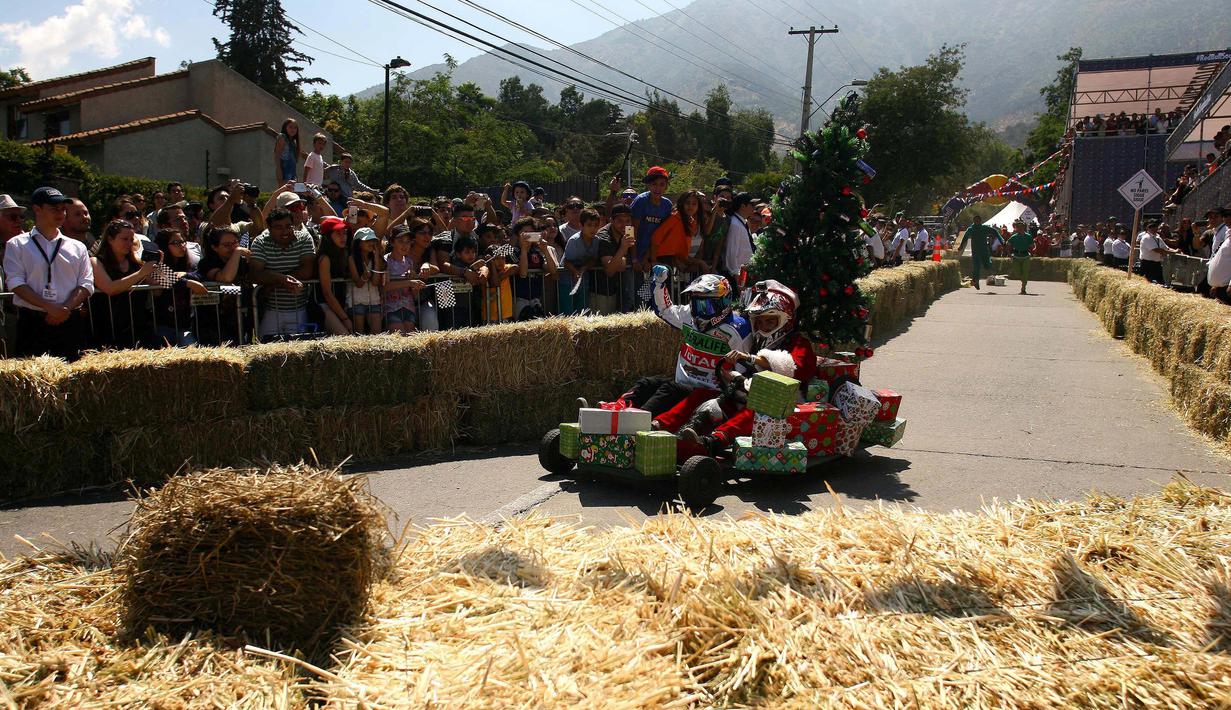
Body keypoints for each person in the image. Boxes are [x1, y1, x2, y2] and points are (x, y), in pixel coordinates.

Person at [587, 265, 751, 419]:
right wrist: (659, 284)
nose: (697, 310)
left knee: (669, 389)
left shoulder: (738, 329)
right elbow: (664, 310)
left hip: (708, 392)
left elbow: (742, 374)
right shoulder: (689, 315)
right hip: (683, 383)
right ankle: (617, 408)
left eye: (704, 305)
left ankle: (636, 419)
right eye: (694, 302)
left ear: (722, 302)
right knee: (647, 383)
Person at [676, 281, 816, 458]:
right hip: (747, 393)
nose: (764, 327)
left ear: (785, 320)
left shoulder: (798, 343)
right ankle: (668, 430)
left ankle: (713, 442)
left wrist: (752, 359)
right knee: (703, 394)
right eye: (760, 321)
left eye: (770, 321)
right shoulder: (756, 341)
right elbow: (739, 370)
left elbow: (796, 368)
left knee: (760, 409)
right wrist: (730, 374)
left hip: (784, 404)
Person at [3, 188, 95, 359]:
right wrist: (49, 307)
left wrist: (65, 308)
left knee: (72, 377)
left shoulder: (77, 246)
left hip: (70, 320)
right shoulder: (16, 244)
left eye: (62, 209)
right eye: (54, 209)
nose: (60, 213)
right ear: (37, 209)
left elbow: (86, 283)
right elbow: (16, 282)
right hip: (33, 321)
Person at [89, 218, 157, 348]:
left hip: (138, 328)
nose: (129, 243)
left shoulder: (136, 263)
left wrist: (156, 267)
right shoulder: (96, 262)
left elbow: (158, 288)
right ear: (110, 239)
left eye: (131, 240)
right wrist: (141, 273)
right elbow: (109, 288)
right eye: (124, 239)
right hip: (108, 329)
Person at [249, 207, 315, 339]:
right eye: (278, 227)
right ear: (269, 227)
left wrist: (275, 282)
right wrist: (280, 279)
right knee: (266, 349)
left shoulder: (304, 238)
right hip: (271, 309)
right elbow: (256, 274)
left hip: (299, 308)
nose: (284, 231)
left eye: (288, 226)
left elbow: (307, 271)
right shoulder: (260, 242)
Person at [151, 227, 208, 346]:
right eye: (175, 243)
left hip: (184, 325)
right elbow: (163, 278)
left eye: (182, 241)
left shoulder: (188, 265)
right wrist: (188, 282)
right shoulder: (156, 264)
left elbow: (201, 275)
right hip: (163, 325)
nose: (181, 245)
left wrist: (186, 275)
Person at [196, 226, 249, 345]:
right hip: (214, 321)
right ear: (214, 247)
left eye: (235, 243)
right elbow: (226, 277)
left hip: (240, 316)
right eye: (227, 245)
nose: (233, 247)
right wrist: (237, 253)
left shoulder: (242, 261)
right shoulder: (207, 263)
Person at [650, 189, 708, 277]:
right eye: (687, 203)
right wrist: (654, 261)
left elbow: (682, 250)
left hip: (677, 262)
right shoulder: (674, 217)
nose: (690, 206)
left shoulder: (692, 222)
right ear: (682, 204)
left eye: (694, 204)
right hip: (663, 261)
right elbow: (656, 238)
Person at [509, 216, 558, 320]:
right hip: (519, 300)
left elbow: (553, 270)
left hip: (535, 299)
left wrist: (545, 250)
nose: (528, 236)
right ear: (518, 234)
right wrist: (523, 249)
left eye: (531, 233)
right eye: (525, 233)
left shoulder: (537, 252)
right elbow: (523, 273)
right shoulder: (513, 252)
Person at [384, 224, 428, 333]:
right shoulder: (385, 261)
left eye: (408, 241)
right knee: (399, 338)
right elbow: (384, 286)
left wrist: (416, 287)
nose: (405, 245)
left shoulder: (409, 262)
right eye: (400, 241)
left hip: (408, 307)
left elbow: (413, 294)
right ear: (392, 242)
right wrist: (409, 282)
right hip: (391, 307)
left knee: (410, 338)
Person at [592, 204, 636, 314]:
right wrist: (623, 248)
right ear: (611, 220)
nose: (624, 225)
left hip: (618, 289)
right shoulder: (603, 238)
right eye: (620, 221)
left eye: (628, 221)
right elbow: (610, 271)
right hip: (601, 290)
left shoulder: (626, 233)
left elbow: (623, 264)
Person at [631, 166, 674, 273]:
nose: (657, 188)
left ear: (666, 187)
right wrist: (634, 259)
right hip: (634, 253)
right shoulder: (640, 201)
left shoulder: (667, 205)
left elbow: (663, 234)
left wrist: (648, 258)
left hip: (654, 255)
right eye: (654, 184)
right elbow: (631, 230)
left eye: (662, 184)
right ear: (648, 185)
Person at [315, 216, 353, 335]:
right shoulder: (324, 259)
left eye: (344, 233)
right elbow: (327, 293)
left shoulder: (343, 253)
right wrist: (344, 318)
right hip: (323, 305)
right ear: (328, 237)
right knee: (345, 336)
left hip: (339, 303)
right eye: (338, 233)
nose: (343, 237)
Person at [561, 208, 603, 314]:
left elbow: (594, 259)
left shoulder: (597, 241)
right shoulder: (574, 241)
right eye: (589, 225)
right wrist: (575, 271)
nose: (593, 228)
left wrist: (584, 268)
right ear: (581, 225)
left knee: (582, 311)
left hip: (583, 279)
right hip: (567, 280)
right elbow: (566, 261)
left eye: (596, 225)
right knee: (568, 312)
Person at [348, 227, 384, 334]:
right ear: (359, 244)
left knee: (377, 335)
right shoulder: (352, 259)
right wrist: (364, 277)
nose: (371, 243)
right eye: (367, 240)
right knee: (360, 336)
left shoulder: (375, 258)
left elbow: (375, 282)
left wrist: (377, 258)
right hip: (357, 301)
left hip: (374, 300)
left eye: (372, 240)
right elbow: (358, 283)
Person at [723, 192, 756, 279]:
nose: (754, 207)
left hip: (745, 274)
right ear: (743, 206)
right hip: (738, 276)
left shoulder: (742, 222)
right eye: (751, 204)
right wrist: (735, 274)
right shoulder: (735, 225)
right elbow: (731, 253)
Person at [958, 222, 997, 290]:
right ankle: (975, 281)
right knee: (976, 266)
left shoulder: (974, 232)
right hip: (973, 252)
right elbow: (964, 241)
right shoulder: (968, 232)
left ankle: (975, 280)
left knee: (979, 266)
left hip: (978, 251)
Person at [1006, 219, 1034, 294]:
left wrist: (1032, 252)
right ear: (1016, 228)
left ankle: (1023, 287)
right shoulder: (1014, 237)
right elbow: (1008, 245)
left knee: (1025, 272)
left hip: (1026, 256)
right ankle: (1023, 280)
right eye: (1018, 227)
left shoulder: (1028, 236)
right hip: (1016, 256)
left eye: (1021, 227)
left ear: (1023, 228)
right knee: (1017, 272)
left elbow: (1032, 246)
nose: (1019, 228)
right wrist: (1009, 254)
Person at [274, 118, 300, 183]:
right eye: (290, 127)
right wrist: (279, 171)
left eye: (295, 128)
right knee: (284, 191)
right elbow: (277, 156)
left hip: (292, 172)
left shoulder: (294, 142)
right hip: (284, 171)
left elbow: (294, 161)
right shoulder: (282, 137)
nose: (293, 130)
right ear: (285, 127)